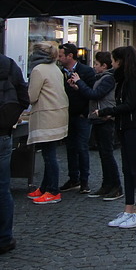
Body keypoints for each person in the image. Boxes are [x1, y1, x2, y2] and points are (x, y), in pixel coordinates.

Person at [95, 46, 136, 229]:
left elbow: (129, 104)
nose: (113, 64)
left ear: (122, 61)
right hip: (125, 126)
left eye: (115, 61)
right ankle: (128, 210)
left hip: (134, 126)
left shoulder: (134, 79)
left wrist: (106, 111)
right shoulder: (123, 79)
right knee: (127, 169)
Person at [68, 51, 122, 200]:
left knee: (107, 153)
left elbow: (95, 94)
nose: (94, 67)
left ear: (104, 66)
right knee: (103, 154)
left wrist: (79, 82)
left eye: (97, 64)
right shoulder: (103, 78)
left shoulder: (107, 79)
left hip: (104, 118)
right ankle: (107, 185)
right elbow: (92, 93)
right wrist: (78, 88)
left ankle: (116, 186)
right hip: (98, 117)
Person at [26, 42, 69, 205]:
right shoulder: (55, 68)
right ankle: (45, 187)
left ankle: (53, 191)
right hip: (57, 114)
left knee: (49, 155)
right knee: (48, 153)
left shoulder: (38, 70)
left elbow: (32, 96)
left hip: (47, 116)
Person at [0, 53, 29, 254]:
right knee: (2, 188)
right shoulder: (8, 64)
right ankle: (4, 238)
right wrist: (10, 118)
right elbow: (23, 98)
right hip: (3, 132)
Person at [58, 43, 96, 194]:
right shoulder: (60, 72)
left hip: (81, 115)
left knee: (81, 147)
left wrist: (86, 112)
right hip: (67, 115)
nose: (59, 58)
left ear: (70, 56)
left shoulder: (86, 71)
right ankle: (73, 178)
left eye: (61, 55)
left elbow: (92, 94)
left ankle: (84, 180)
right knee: (70, 148)